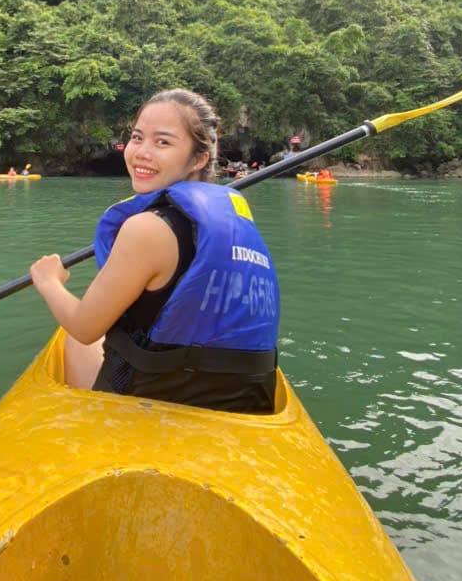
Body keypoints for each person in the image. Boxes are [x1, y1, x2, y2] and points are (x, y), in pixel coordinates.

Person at [30, 89, 280, 414]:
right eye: (137, 138)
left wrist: (49, 280)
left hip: (156, 407)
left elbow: (85, 327)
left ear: (198, 159)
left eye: (162, 142)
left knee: (72, 335)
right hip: (248, 406)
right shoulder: (237, 221)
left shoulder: (146, 228)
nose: (141, 153)